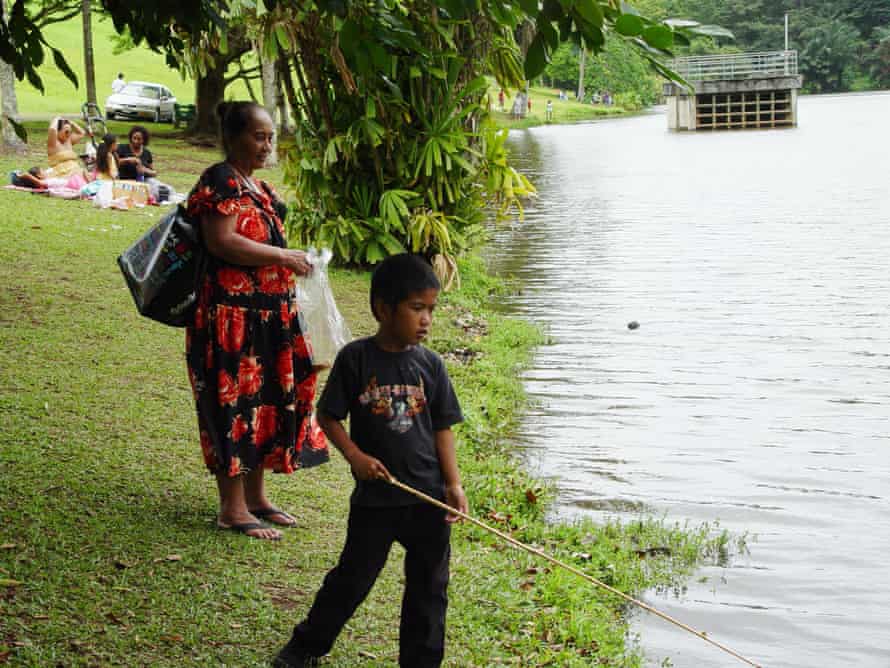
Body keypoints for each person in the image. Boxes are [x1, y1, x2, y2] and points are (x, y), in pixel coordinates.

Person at [273, 253, 467, 668]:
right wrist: (355, 456)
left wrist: (453, 485)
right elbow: (328, 416)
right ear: (383, 308)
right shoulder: (356, 359)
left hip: (427, 499)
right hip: (376, 501)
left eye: (431, 310)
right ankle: (306, 646)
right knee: (352, 579)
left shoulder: (431, 366)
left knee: (430, 590)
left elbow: (443, 428)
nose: (426, 319)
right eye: (417, 308)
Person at [185, 101, 328, 541]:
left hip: (267, 317)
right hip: (230, 317)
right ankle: (231, 508)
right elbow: (222, 242)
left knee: (263, 404)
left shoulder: (258, 188)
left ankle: (257, 497)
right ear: (234, 138)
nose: (267, 144)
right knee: (232, 407)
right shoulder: (221, 180)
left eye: (270, 137)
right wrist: (284, 256)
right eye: (259, 136)